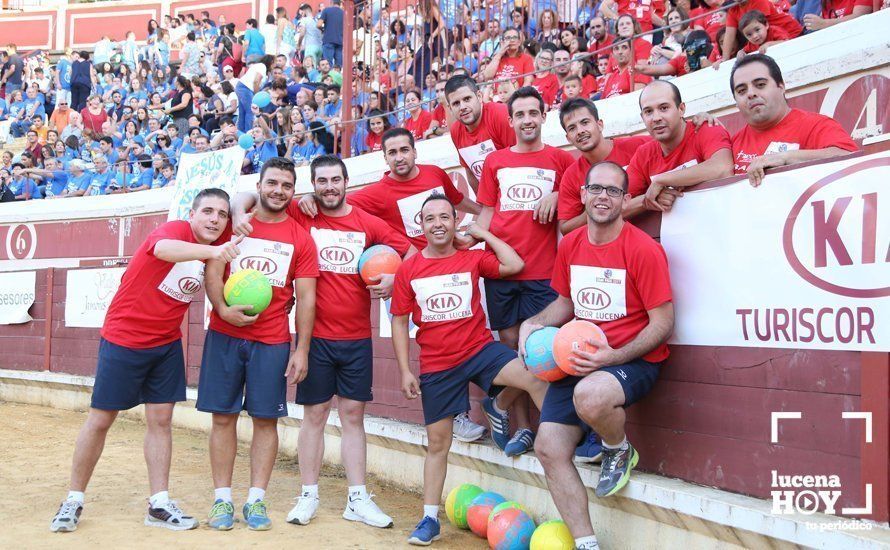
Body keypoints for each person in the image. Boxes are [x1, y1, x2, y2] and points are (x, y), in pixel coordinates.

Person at [230, 155, 414, 528]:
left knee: (352, 417)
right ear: (312, 185)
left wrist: (397, 279)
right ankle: (309, 494)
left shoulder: (366, 222)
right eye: (322, 181)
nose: (329, 187)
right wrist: (235, 213)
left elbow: (410, 252)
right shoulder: (301, 212)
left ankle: (357, 498)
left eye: (336, 179)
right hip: (315, 340)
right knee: (313, 416)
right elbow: (248, 195)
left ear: (347, 182)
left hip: (357, 338)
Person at [49, 188, 237, 533]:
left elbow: (246, 198)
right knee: (101, 419)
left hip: (165, 344)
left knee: (161, 421)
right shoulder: (175, 231)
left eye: (222, 214)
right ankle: (73, 499)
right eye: (207, 211)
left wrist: (229, 224)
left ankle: (159, 503)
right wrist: (214, 248)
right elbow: (162, 250)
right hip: (125, 338)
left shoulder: (218, 236)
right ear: (191, 214)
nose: (214, 218)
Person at [519, 161, 674, 550]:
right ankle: (587, 543)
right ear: (583, 195)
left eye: (614, 191)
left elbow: (662, 323)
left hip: (632, 360)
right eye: (597, 189)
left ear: (624, 200)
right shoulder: (570, 244)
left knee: (590, 396)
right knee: (548, 447)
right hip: (580, 360)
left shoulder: (644, 249)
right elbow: (564, 305)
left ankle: (617, 448)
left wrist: (614, 356)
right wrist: (532, 325)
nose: (604, 197)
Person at [391, 193, 548, 546]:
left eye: (445, 217)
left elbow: (514, 264)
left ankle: (552, 445)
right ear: (421, 224)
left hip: (478, 350)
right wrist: (404, 370)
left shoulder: (471, 258)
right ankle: (429, 519)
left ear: (454, 222)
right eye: (430, 218)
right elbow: (399, 323)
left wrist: (482, 233)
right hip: (437, 364)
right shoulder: (410, 269)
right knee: (438, 444)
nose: (437, 224)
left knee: (534, 374)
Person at [198, 158, 319, 532]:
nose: (278, 191)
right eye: (272, 183)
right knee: (223, 417)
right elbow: (213, 271)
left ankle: (255, 500)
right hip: (225, 334)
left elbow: (307, 298)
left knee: (266, 420)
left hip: (271, 341)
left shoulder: (301, 237)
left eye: (286, 185)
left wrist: (301, 350)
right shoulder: (238, 225)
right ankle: (222, 500)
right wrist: (222, 308)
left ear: (292, 191)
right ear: (261, 185)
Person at [462, 86, 573, 457]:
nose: (527, 120)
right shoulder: (496, 162)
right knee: (511, 349)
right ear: (510, 121)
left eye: (533, 113)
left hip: (544, 271)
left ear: (544, 116)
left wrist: (558, 195)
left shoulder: (561, 160)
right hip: (501, 272)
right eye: (519, 115)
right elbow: (488, 215)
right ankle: (524, 429)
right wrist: (472, 242)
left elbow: (578, 194)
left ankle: (504, 403)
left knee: (542, 350)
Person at [296, 128, 480, 251]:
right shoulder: (376, 193)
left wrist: (486, 212)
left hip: (451, 260)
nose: (399, 157)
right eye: (392, 153)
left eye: (404, 150)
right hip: (412, 271)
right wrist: (312, 196)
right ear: (385, 158)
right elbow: (336, 202)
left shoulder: (435, 173)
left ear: (414, 152)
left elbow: (457, 200)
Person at [729, 54, 858, 184]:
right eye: (741, 91)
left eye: (760, 84)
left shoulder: (816, 125)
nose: (750, 94)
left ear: (781, 86)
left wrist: (786, 158)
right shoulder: (732, 144)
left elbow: (851, 158)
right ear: (735, 101)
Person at [625, 81, 734, 216]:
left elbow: (723, 168)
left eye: (664, 108)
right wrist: (649, 199)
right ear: (642, 117)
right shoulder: (644, 153)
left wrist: (662, 180)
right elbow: (615, 206)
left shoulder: (705, 128)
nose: (656, 118)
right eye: (648, 111)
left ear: (681, 109)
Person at [556, 98, 658, 239]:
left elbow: (676, 140)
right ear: (568, 138)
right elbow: (566, 228)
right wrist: (591, 211)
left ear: (599, 125)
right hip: (606, 251)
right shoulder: (571, 175)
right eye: (572, 128)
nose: (580, 131)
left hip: (654, 238)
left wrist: (699, 122)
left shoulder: (638, 146)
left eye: (585, 123)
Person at [445, 75, 517, 193]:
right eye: (456, 103)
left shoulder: (500, 114)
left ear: (479, 96)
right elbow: (471, 173)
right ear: (450, 108)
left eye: (467, 99)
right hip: (493, 201)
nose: (462, 107)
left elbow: (522, 159)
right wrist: (485, 206)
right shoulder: (455, 131)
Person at [318, 0, 345, 68]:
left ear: (331, 3)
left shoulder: (326, 10)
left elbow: (318, 25)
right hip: (340, 41)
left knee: (328, 64)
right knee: (339, 65)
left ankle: (329, 78)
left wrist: (323, 30)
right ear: (340, 3)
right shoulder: (344, 13)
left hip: (328, 39)